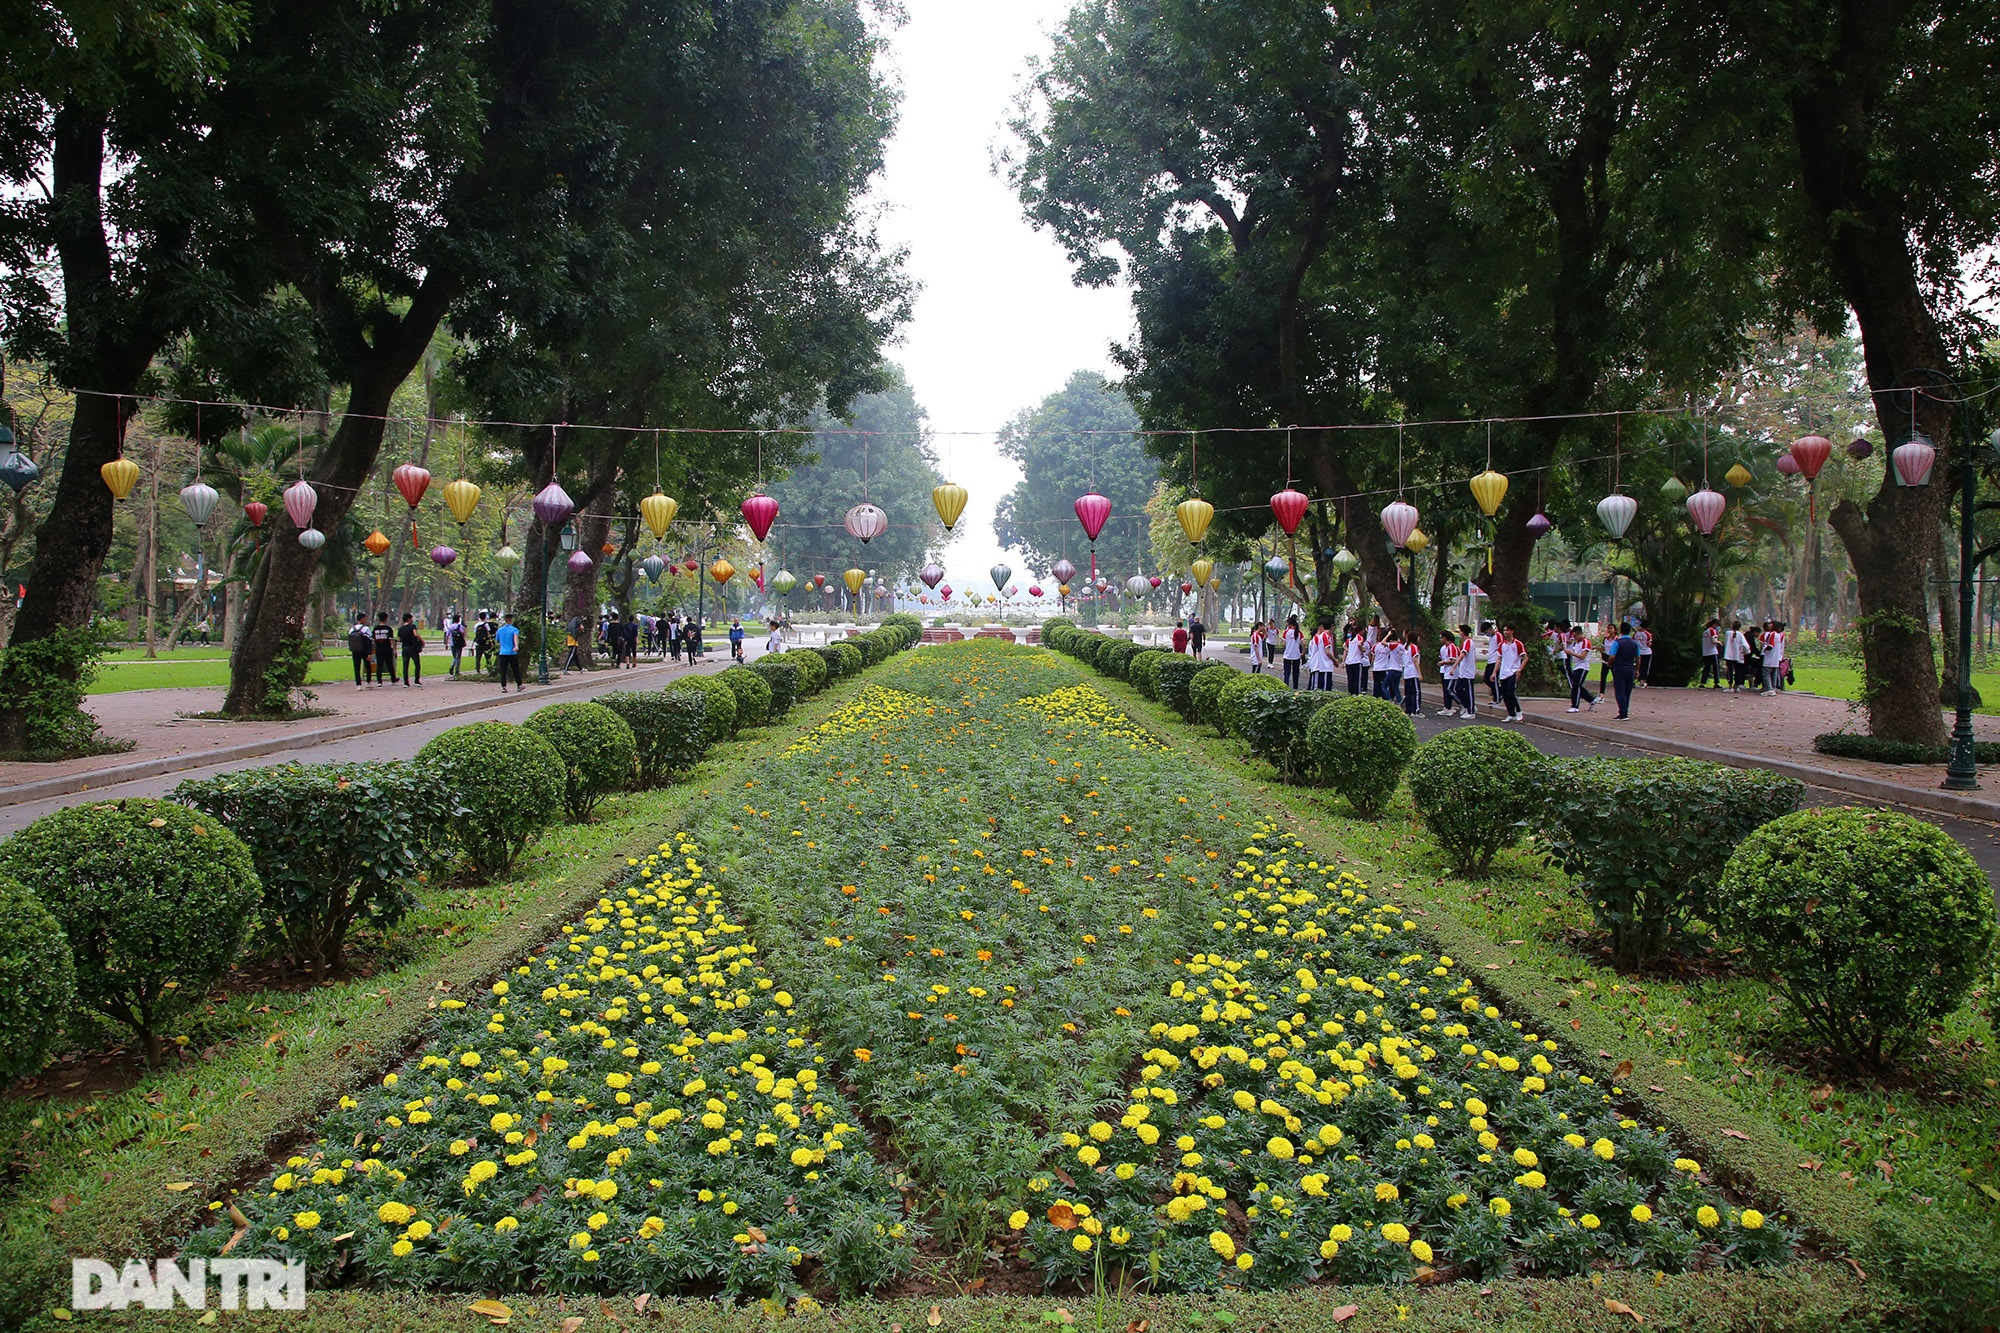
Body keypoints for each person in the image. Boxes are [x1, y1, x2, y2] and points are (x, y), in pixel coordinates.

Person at [1607, 621, 1641, 719]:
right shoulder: (1634, 644)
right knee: (1627, 691)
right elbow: (1638, 658)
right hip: (1630, 668)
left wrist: (1609, 664)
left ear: (1620, 631)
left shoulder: (1617, 643)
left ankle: (1623, 712)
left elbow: (1612, 656)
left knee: (1619, 691)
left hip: (1619, 668)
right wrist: (1637, 670)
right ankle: (1625, 710)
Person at [1495, 625, 1525, 722]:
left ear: (1512, 631)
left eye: (1507, 630)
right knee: (1505, 694)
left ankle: (1518, 711)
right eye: (1504, 630)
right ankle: (1511, 713)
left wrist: (1519, 669)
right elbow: (1499, 659)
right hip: (1504, 672)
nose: (1505, 632)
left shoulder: (1518, 644)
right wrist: (1494, 672)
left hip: (1513, 671)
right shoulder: (1502, 645)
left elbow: (1525, 657)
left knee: (1511, 692)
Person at [1564, 625, 1597, 712]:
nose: (1574, 638)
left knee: (1576, 686)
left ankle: (1575, 706)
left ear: (1579, 634)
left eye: (1575, 636)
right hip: (1577, 666)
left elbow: (1583, 656)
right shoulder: (1577, 643)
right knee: (1576, 685)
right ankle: (1591, 699)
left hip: (1583, 666)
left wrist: (1571, 652)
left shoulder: (1585, 642)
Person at [495, 611, 524, 691]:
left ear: (505, 620)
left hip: (502, 652)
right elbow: (515, 638)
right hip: (512, 652)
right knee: (515, 669)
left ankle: (503, 686)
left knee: (503, 670)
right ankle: (519, 684)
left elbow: (497, 640)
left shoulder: (500, 630)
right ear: (512, 620)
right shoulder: (514, 630)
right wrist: (516, 646)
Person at [1761, 620, 1787, 695]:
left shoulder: (1772, 634)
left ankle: (1769, 688)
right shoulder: (1779, 635)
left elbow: (1770, 646)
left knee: (1766, 673)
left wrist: (1764, 648)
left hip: (1770, 657)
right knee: (1774, 673)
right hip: (1775, 658)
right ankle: (1773, 687)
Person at [371, 612, 396, 687]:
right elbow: (391, 640)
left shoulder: (375, 628)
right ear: (386, 618)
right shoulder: (388, 628)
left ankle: (379, 681)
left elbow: (373, 640)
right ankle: (393, 679)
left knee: (379, 664)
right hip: (387, 648)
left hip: (379, 649)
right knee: (390, 664)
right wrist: (394, 649)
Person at [347, 616, 373, 690]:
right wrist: (369, 653)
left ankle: (358, 684)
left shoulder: (352, 629)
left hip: (355, 651)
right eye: (365, 618)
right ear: (362, 619)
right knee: (368, 666)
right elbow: (369, 642)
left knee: (356, 668)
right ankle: (368, 682)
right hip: (364, 651)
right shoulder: (366, 629)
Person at [1723, 618, 1748, 693]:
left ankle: (1730, 686)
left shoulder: (1727, 633)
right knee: (1738, 671)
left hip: (1728, 654)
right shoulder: (1740, 635)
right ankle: (1736, 686)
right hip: (1737, 655)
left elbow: (1725, 642)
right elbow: (1745, 645)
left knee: (1730, 670)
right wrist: (1746, 652)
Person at [1402, 631, 1423, 715]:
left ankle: (1408, 709)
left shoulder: (1405, 647)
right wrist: (1419, 673)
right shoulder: (1414, 647)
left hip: (1406, 672)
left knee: (1408, 692)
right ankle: (1416, 710)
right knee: (1416, 692)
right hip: (1413, 672)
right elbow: (1415, 661)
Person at [399, 613, 424, 686]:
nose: (412, 620)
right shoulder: (412, 626)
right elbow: (415, 634)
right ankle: (416, 681)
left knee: (405, 665)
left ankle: (406, 683)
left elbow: (400, 639)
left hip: (405, 648)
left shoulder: (401, 629)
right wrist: (422, 641)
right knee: (417, 664)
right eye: (411, 619)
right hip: (412, 648)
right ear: (408, 619)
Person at [1280, 615, 1304, 689]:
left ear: (1289, 624)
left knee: (1287, 672)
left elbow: (1283, 644)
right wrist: (1302, 652)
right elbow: (1304, 643)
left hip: (1287, 655)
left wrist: (1286, 646)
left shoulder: (1286, 632)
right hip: (1296, 655)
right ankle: (1295, 687)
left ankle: (1286, 687)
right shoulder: (1299, 632)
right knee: (1296, 673)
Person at [1699, 618, 1722, 688]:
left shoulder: (1705, 631)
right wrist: (1719, 642)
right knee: (1716, 668)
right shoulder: (1712, 631)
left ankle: (1702, 683)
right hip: (1712, 651)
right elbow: (1713, 641)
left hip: (1706, 652)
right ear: (1714, 624)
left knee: (1706, 668)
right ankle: (1716, 683)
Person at [1344, 623, 1366, 694]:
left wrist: (1349, 650)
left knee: (1350, 680)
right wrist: (1362, 651)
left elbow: (1344, 645)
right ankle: (1357, 694)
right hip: (1356, 661)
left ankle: (1351, 693)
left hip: (1349, 661)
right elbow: (1359, 644)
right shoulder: (1359, 637)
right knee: (1357, 680)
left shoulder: (1350, 640)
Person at [1635, 618, 1655, 685]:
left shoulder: (1636, 633)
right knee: (1645, 666)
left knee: (1639, 666)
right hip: (1646, 652)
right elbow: (1649, 644)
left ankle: (1638, 678)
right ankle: (1643, 680)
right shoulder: (1648, 634)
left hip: (1638, 652)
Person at [446, 614, 466, 678]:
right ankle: (457, 670)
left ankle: (452, 665)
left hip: (452, 643)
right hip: (459, 643)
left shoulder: (450, 627)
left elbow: (447, 635)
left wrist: (446, 643)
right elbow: (463, 634)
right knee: (458, 657)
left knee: (454, 657)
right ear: (458, 620)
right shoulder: (460, 626)